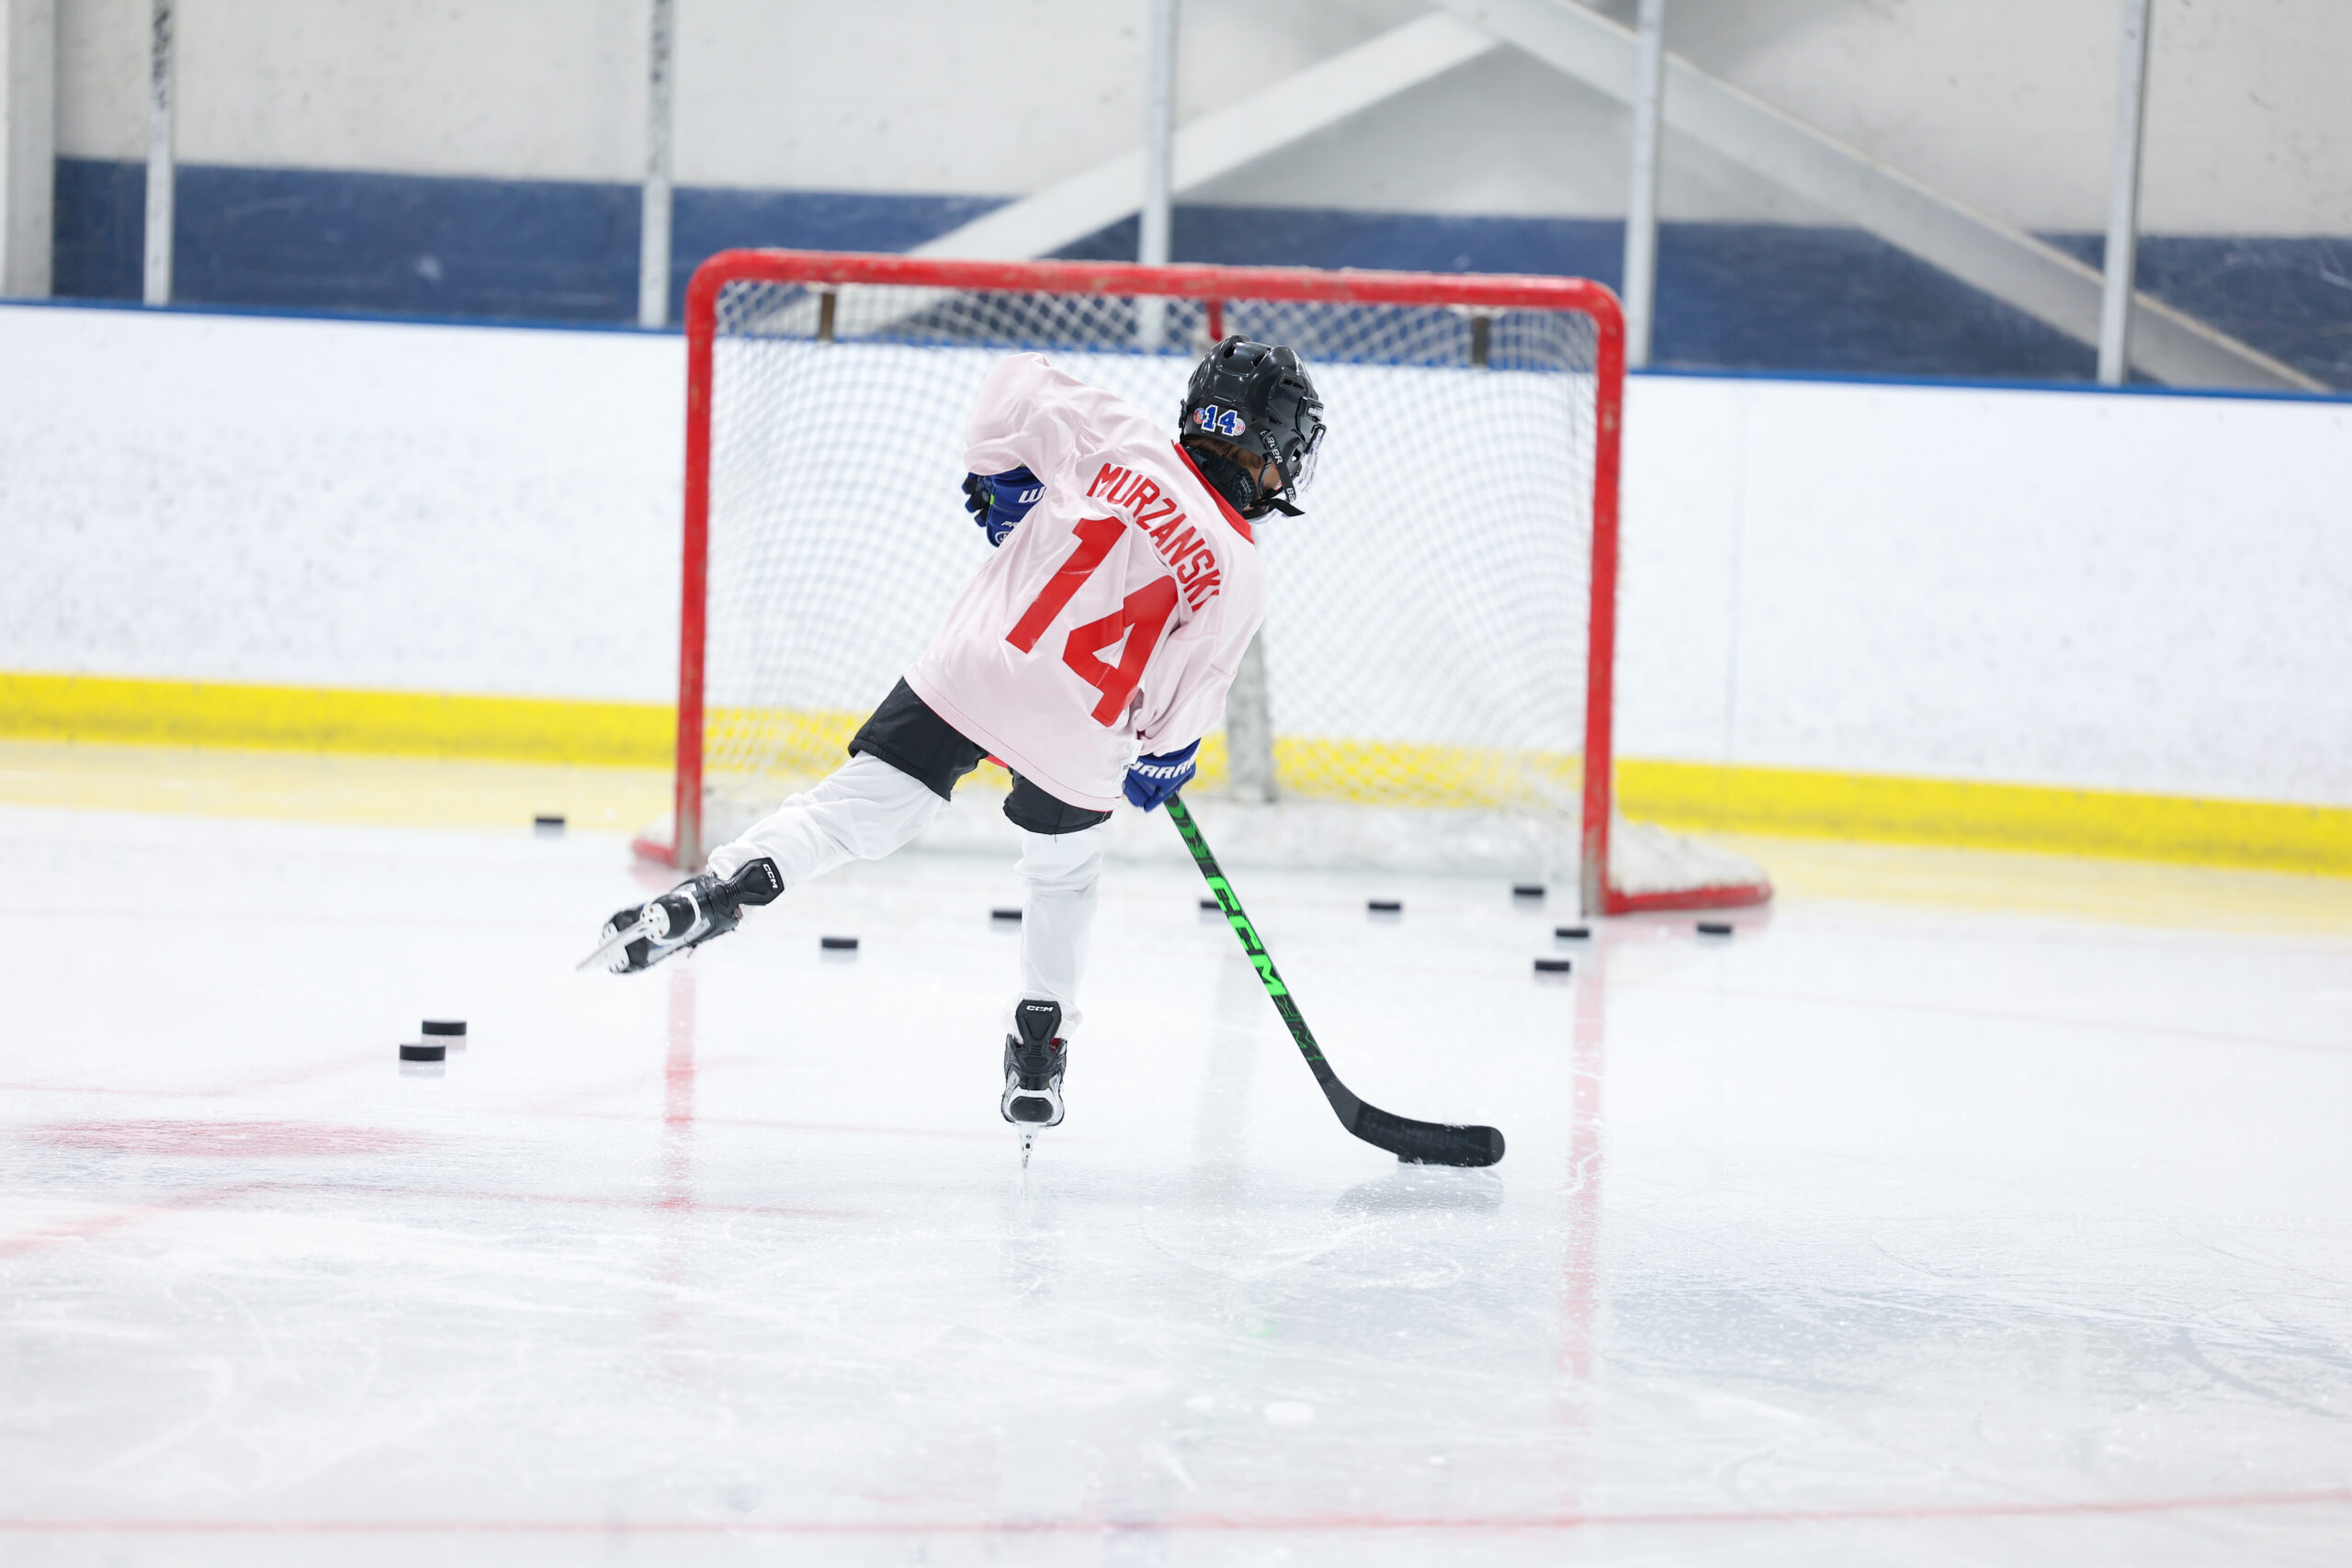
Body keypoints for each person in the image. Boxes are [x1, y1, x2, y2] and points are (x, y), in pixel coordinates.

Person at [591, 334, 1327, 1142]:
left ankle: (719, 888)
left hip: (979, 664)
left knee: (849, 812)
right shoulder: (1239, 569)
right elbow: (1185, 705)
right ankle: (1040, 1045)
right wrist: (1164, 757)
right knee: (1063, 878)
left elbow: (1014, 383)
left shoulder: (1118, 434)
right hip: (1080, 729)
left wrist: (1003, 477)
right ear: (1265, 443)